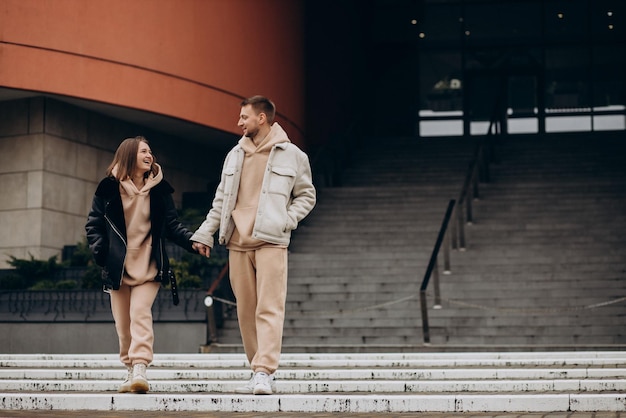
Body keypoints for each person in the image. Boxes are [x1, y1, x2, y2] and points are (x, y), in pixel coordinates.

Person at [191, 95, 316, 395]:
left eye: (244, 117)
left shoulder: (294, 156)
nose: (239, 122)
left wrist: (287, 219)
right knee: (246, 310)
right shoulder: (234, 155)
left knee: (270, 308)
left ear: (262, 118)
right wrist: (205, 232)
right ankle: (257, 368)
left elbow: (307, 195)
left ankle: (265, 370)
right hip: (237, 243)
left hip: (272, 241)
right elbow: (221, 200)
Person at [85, 136, 196, 394]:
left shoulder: (160, 191)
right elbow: (94, 225)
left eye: (151, 152)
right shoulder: (108, 189)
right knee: (123, 326)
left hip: (149, 265)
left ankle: (140, 368)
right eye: (144, 151)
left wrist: (193, 242)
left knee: (139, 314)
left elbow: (172, 226)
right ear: (129, 156)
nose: (150, 156)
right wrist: (101, 252)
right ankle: (129, 368)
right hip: (118, 268)